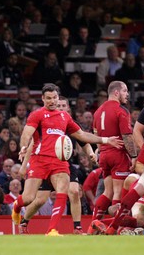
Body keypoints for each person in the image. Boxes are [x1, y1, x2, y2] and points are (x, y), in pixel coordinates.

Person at [11, 83, 122, 236]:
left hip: (59, 161)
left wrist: (105, 140)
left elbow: (82, 136)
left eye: (54, 97)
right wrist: (23, 147)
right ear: (43, 99)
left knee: (63, 192)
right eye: (48, 98)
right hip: (40, 160)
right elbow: (26, 134)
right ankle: (17, 206)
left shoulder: (65, 117)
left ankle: (52, 230)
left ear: (58, 98)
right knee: (30, 198)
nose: (52, 101)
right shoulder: (37, 115)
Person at [18, 96, 97, 235]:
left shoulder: (70, 124)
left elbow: (84, 142)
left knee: (74, 192)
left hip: (63, 164)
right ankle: (24, 221)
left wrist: (91, 154)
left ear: (68, 109)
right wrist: (24, 165)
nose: (59, 107)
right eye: (58, 105)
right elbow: (32, 145)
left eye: (62, 105)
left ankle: (77, 228)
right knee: (39, 200)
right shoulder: (46, 123)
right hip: (44, 162)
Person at [88, 81, 137, 234]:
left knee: (107, 192)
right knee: (117, 192)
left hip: (104, 154)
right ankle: (115, 229)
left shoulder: (97, 112)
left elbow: (96, 135)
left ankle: (92, 226)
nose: (127, 94)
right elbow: (127, 136)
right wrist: (134, 156)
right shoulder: (121, 110)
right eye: (125, 91)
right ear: (116, 93)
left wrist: (99, 150)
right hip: (117, 153)